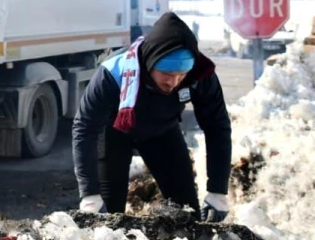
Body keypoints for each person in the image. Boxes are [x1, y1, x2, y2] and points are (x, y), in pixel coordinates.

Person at [71, 12, 232, 221]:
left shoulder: (200, 75)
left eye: (181, 76)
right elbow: (84, 128)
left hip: (162, 131)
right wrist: (90, 194)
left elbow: (217, 127)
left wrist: (218, 190)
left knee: (186, 213)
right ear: (150, 62)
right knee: (107, 218)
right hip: (113, 131)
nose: (173, 83)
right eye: (167, 74)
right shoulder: (113, 73)